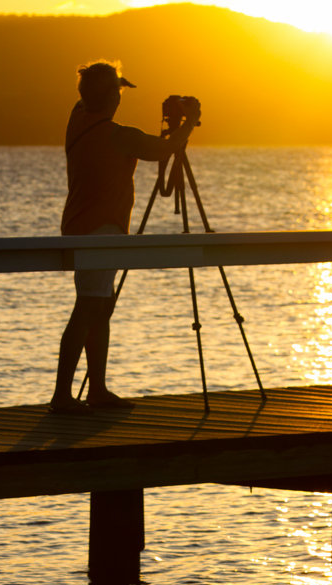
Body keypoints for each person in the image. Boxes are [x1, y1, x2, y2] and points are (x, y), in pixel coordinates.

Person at [50, 60, 201, 413]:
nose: (121, 96)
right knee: (88, 308)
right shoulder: (118, 135)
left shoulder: (77, 122)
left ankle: (97, 389)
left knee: (99, 308)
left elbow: (87, 95)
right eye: (118, 91)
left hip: (79, 226)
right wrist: (189, 121)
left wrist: (104, 80)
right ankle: (61, 396)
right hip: (101, 231)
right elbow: (164, 150)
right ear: (112, 97)